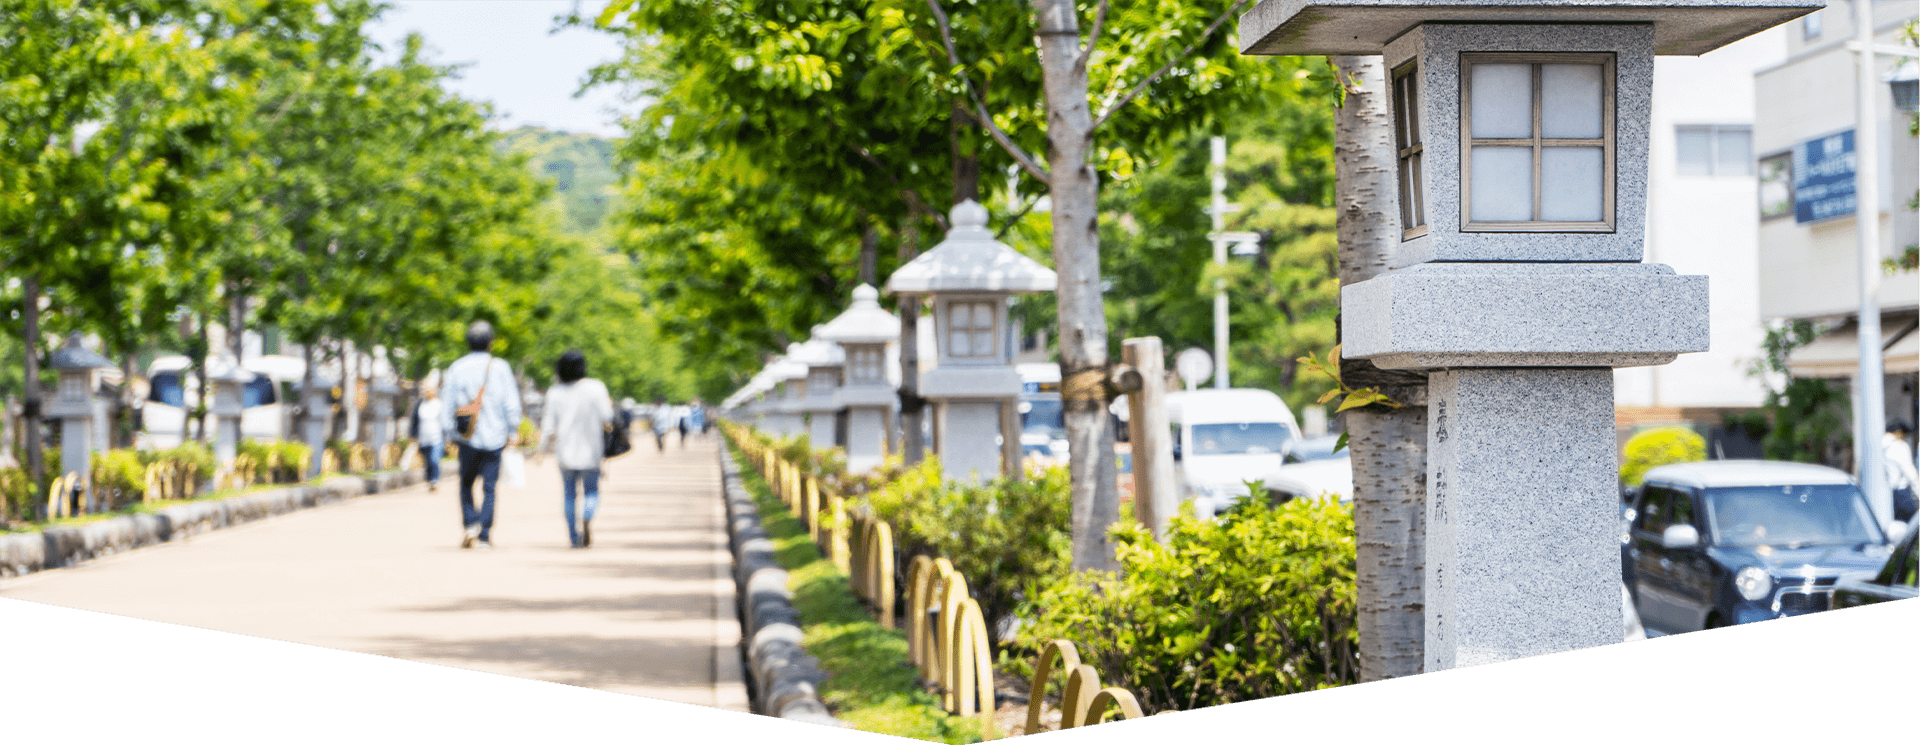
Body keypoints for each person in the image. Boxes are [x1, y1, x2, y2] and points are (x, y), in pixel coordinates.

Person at [440, 320, 522, 550]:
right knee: (489, 487)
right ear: (491, 343)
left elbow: (447, 403)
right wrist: (513, 429)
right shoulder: (501, 367)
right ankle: (485, 534)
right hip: (495, 436)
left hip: (467, 436)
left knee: (466, 484)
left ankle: (470, 524)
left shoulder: (457, 367)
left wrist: (448, 433)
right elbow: (511, 403)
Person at [538, 350, 615, 548]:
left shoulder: (555, 392)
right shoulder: (596, 387)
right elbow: (607, 416)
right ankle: (587, 516)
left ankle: (573, 536)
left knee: (569, 495)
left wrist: (540, 449)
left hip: (565, 453)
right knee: (591, 492)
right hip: (591, 451)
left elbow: (547, 425)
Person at [1886, 420, 1919, 524]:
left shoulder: (1876, 446)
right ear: (1898, 432)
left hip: (1884, 496)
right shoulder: (1899, 446)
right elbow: (1911, 475)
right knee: (1912, 527)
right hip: (1900, 494)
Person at [415, 386, 447, 492]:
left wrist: (446, 436)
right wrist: (413, 436)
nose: (427, 393)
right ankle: (430, 480)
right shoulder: (421, 404)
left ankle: (435, 480)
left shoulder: (439, 404)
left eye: (429, 391)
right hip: (424, 438)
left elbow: (444, 421)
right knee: (427, 462)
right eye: (426, 391)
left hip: (436, 438)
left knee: (434, 459)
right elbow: (414, 421)